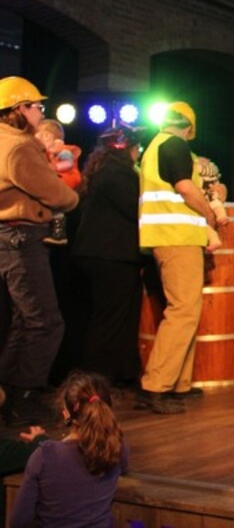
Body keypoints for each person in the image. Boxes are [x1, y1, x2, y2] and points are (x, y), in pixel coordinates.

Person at [0, 76, 79, 426]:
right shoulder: (18, 146)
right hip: (21, 239)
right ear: (20, 109)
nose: (41, 112)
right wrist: (70, 194)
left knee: (25, 321)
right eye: (37, 106)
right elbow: (56, 192)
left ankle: (8, 395)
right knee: (46, 323)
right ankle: (24, 398)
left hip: (8, 239)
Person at [136, 101, 220, 415]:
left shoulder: (154, 147)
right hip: (176, 238)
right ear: (189, 127)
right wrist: (209, 213)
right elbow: (185, 188)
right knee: (183, 311)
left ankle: (179, 383)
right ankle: (156, 385)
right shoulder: (175, 145)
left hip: (168, 237)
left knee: (185, 310)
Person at [73, 124, 144, 387]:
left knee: (112, 317)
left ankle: (118, 374)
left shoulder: (99, 171)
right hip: (112, 256)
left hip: (98, 254)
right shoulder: (119, 174)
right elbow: (134, 209)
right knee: (111, 320)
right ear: (129, 149)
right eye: (137, 148)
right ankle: (98, 380)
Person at [9, 372, 128, 528]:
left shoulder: (45, 456)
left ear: (66, 414)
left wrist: (43, 441)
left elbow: (19, 521)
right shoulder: (117, 448)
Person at [34, 118, 81, 245]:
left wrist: (54, 167)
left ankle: (59, 233)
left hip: (62, 183)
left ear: (47, 136)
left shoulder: (63, 150)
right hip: (55, 182)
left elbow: (68, 163)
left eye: (37, 134)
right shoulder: (46, 153)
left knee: (56, 207)